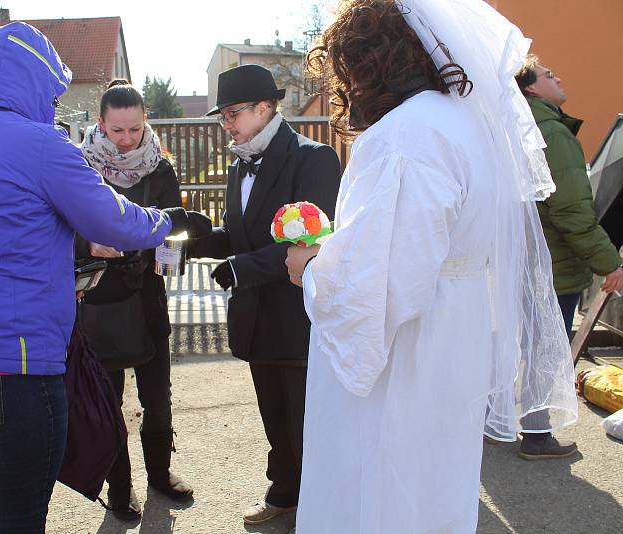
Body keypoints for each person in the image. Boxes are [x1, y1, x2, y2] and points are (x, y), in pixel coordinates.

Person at [0, 23, 210, 533]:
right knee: (19, 519)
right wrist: (168, 221)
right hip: (6, 369)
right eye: (51, 91)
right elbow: (112, 219)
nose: (53, 103)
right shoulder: (41, 145)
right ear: (31, 83)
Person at [284, 1, 578, 532]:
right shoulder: (468, 123)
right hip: (454, 332)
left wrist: (311, 266)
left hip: (409, 354)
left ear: (370, 63)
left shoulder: (407, 135)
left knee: (384, 487)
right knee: (436, 487)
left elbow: (381, 288)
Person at [189, 64, 341, 526]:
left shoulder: (314, 158)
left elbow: (312, 242)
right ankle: (284, 493)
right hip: (257, 316)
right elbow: (241, 237)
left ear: (265, 107)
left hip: (298, 315)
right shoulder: (239, 164)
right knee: (274, 415)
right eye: (223, 116)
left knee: (305, 419)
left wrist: (240, 269)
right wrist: (188, 240)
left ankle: (322, 506)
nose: (227, 124)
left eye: (233, 113)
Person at [76, 79, 193, 519]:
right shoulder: (80, 167)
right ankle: (121, 487)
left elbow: (173, 227)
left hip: (146, 297)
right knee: (109, 405)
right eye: (117, 131)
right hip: (98, 303)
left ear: (145, 122)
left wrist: (170, 260)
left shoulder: (160, 169)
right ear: (101, 124)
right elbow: (62, 225)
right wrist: (86, 244)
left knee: (157, 397)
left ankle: (160, 474)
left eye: (134, 130)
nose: (126, 140)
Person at [515, 55, 623, 459]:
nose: (557, 78)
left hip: (522, 259)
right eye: (548, 75)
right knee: (545, 349)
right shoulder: (552, 133)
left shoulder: (514, 128)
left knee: (520, 346)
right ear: (530, 88)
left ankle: (505, 425)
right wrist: (609, 262)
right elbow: (571, 210)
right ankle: (537, 436)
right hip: (552, 264)